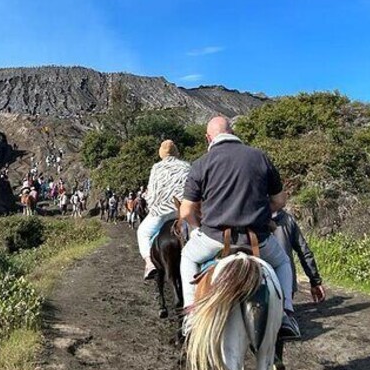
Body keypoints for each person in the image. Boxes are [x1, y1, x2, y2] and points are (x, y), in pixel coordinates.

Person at [179, 116, 300, 341]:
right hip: (257, 240)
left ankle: (191, 314)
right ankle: (286, 315)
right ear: (232, 131)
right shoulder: (260, 156)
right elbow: (280, 200)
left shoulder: (201, 163)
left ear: (208, 138)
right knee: (283, 262)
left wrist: (197, 227)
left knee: (187, 257)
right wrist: (263, 214)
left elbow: (185, 212)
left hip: (215, 238)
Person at [136, 139, 191, 280]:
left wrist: (151, 205)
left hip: (161, 212)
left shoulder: (156, 168)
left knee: (142, 232)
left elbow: (151, 193)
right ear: (176, 152)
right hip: (182, 211)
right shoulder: (186, 166)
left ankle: (149, 264)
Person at [273, 209, 326, 303]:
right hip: (286, 283)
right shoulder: (287, 219)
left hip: (258, 283)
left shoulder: (249, 217)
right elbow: (303, 251)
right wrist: (315, 281)